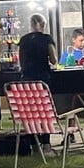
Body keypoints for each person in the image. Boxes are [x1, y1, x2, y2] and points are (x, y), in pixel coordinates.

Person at [18, 14, 58, 152]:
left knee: (30, 113)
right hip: (43, 78)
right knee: (44, 112)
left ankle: (33, 144)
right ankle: (46, 144)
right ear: (43, 24)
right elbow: (53, 60)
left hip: (27, 79)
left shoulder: (23, 40)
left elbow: (21, 62)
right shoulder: (47, 39)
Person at [55, 29, 84, 145]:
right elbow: (61, 67)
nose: (83, 43)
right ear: (74, 40)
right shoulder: (67, 54)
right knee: (71, 109)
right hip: (71, 85)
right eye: (81, 40)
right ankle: (70, 134)